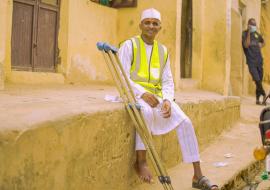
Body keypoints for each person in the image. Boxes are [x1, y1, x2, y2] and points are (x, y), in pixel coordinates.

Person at [118, 8, 218, 190]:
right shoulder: (129, 45)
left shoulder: (163, 51)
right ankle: (141, 161)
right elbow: (122, 75)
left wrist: (167, 100)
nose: (151, 26)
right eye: (147, 22)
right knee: (145, 111)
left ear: (160, 27)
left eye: (155, 23)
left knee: (185, 121)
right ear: (140, 25)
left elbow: (167, 80)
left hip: (156, 96)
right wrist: (141, 93)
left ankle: (198, 175)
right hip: (135, 94)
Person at [242, 18, 266, 105]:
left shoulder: (256, 34)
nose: (254, 26)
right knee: (257, 79)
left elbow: (263, 42)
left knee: (258, 80)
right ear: (248, 25)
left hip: (259, 61)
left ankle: (257, 99)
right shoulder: (244, 34)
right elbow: (246, 45)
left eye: (255, 25)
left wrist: (261, 44)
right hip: (251, 61)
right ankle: (264, 93)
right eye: (252, 24)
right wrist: (249, 32)